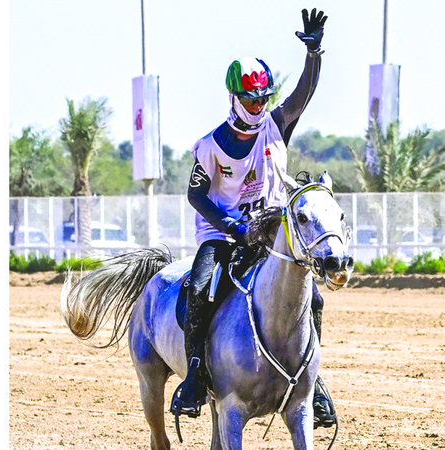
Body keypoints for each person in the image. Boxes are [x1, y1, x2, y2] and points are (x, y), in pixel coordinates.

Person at [170, 8, 336, 429]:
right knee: (201, 290)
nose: (259, 106)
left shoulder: (276, 126)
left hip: (272, 235)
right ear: (233, 98)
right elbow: (195, 194)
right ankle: (194, 375)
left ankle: (311, 384)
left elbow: (304, 93)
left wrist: (313, 53)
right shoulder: (209, 146)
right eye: (251, 100)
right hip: (221, 236)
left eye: (263, 99)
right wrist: (230, 227)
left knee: (312, 297)